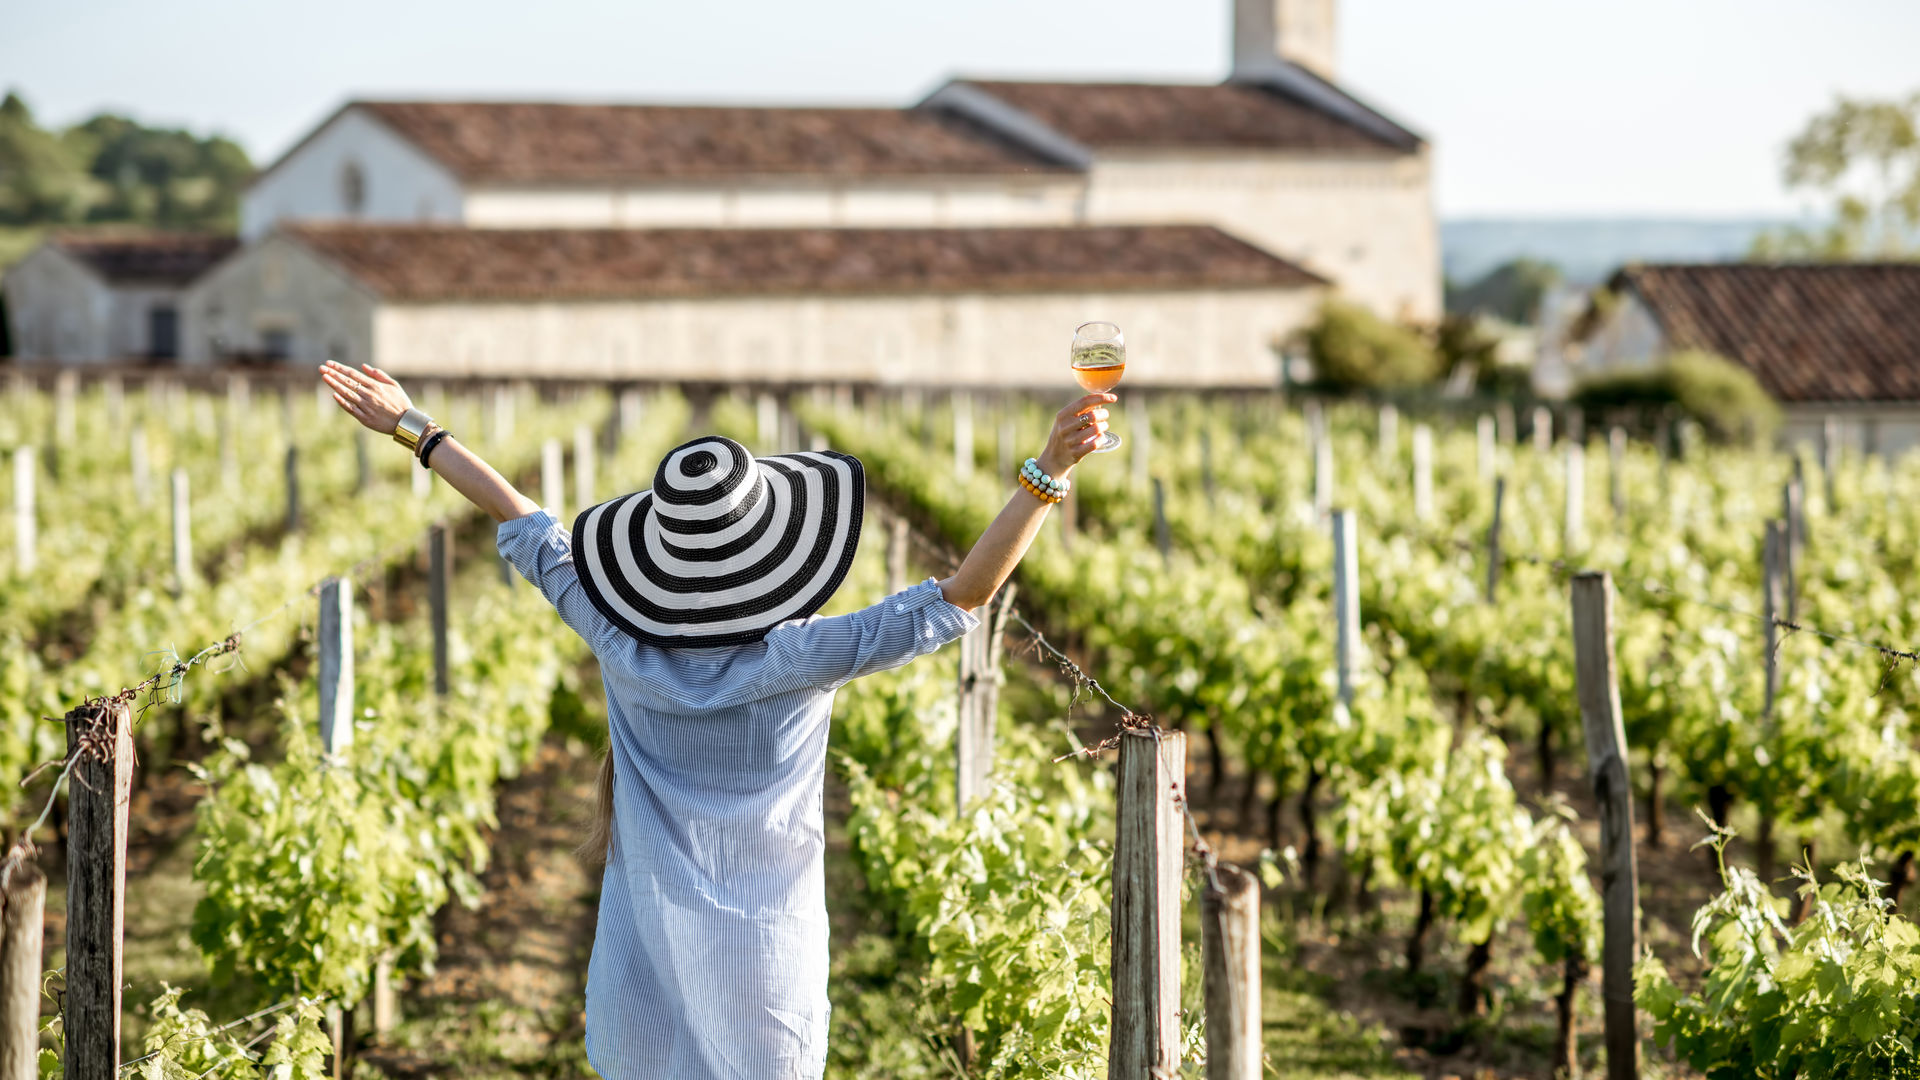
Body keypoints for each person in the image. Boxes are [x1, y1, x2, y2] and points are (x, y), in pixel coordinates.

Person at [317, 360, 1114, 1079]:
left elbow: (526, 523)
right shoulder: (805, 653)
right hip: (769, 958)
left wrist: (415, 429)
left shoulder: (615, 633)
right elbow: (963, 595)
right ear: (773, 554)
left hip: (645, 948)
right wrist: (1049, 470)